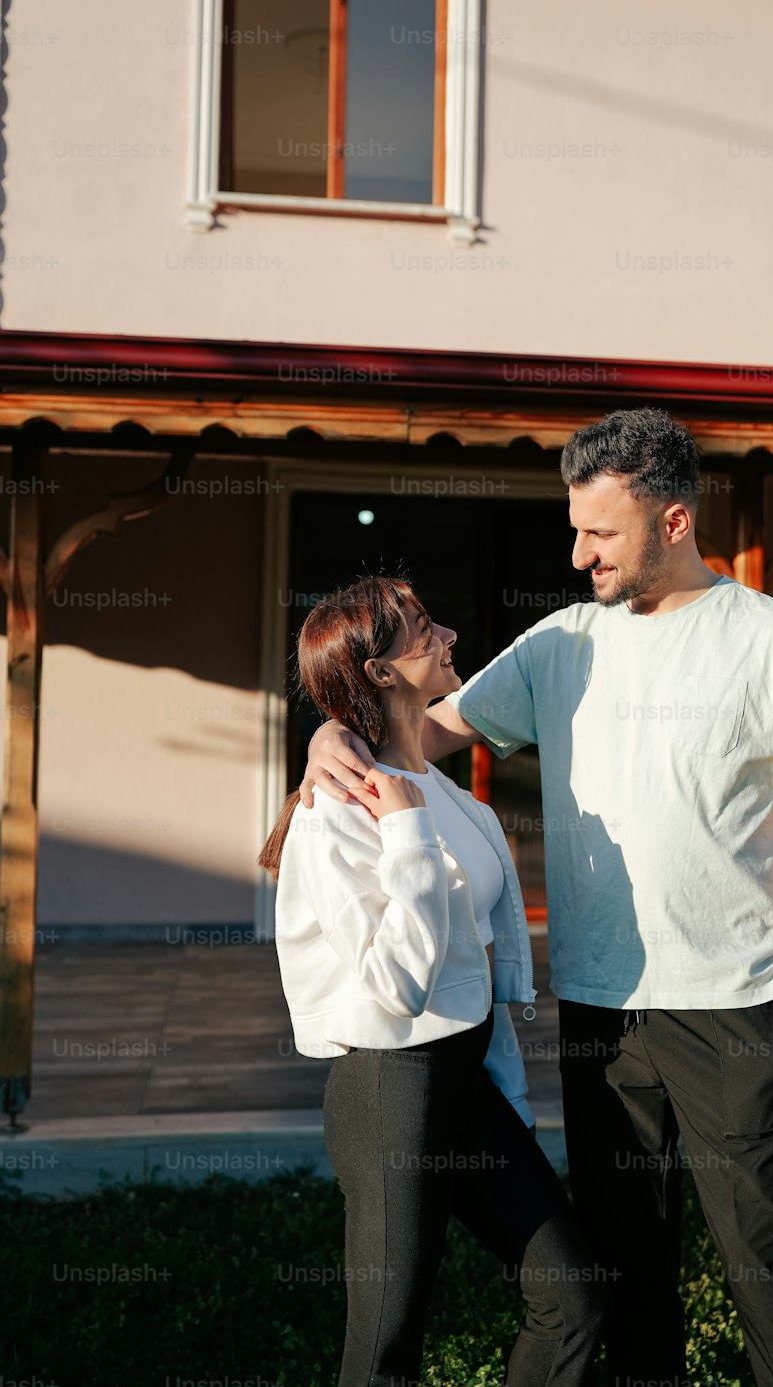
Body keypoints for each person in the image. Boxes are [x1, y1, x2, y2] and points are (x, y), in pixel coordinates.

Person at [300, 409, 773, 1387]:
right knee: (628, 1282)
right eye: (575, 529)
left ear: (675, 520)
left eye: (600, 533)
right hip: (602, 1017)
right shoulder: (560, 644)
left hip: (742, 1013)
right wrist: (330, 739)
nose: (578, 555)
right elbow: (415, 730)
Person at [260, 575, 606, 1387]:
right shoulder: (336, 813)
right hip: (391, 1089)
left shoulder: (458, 801)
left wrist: (508, 1095)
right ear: (381, 672)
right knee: (385, 1356)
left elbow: (478, 967)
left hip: (465, 1080)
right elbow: (395, 982)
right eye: (421, 627)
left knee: (575, 1297)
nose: (447, 633)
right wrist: (408, 835)